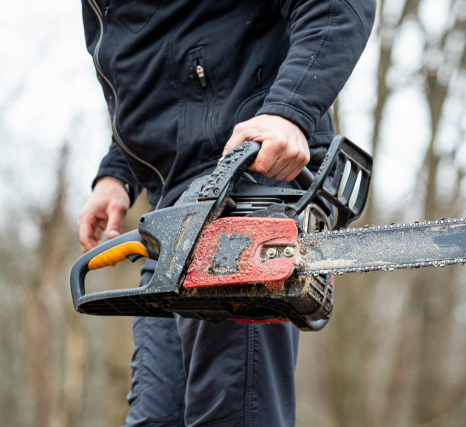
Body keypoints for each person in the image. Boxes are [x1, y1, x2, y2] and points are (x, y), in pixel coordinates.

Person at [76, 1, 376, 426]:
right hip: (172, 210)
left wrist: (287, 111)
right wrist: (118, 172)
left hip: (246, 181)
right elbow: (162, 80)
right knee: (156, 418)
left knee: (231, 414)